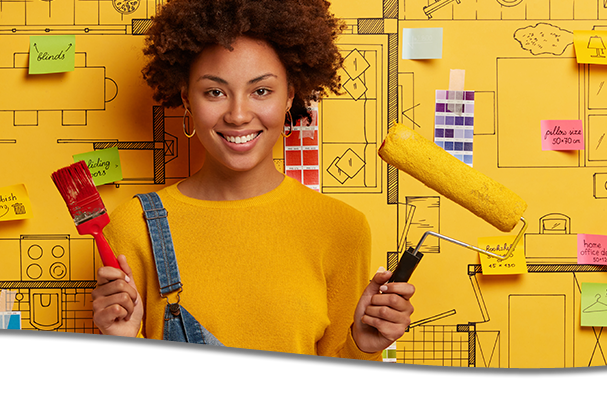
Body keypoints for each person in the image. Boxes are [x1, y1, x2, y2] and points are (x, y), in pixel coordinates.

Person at [91, 0, 415, 369]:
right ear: (186, 99)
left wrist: (364, 347)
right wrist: (119, 346)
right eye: (215, 92)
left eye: (261, 91)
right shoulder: (133, 228)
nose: (239, 115)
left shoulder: (342, 229)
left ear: (291, 95)